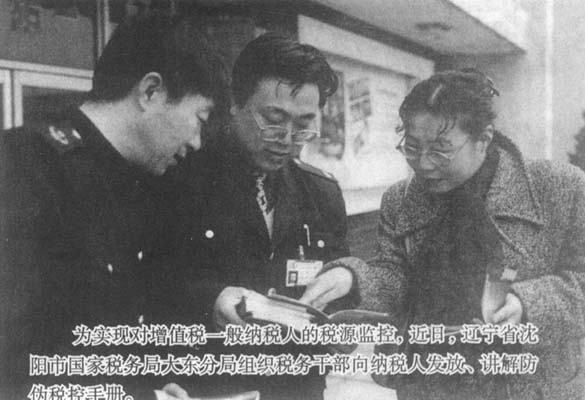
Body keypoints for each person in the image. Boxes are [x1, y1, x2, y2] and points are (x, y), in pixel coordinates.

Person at [0, 11, 229, 399]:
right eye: (200, 118)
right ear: (151, 91)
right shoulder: (22, 168)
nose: (197, 143)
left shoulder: (138, 181)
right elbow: (12, 368)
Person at [360, 69, 585, 399]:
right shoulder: (400, 199)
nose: (423, 164)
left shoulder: (560, 188)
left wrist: (527, 304)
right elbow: (393, 276)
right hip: (429, 385)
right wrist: (353, 278)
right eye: (412, 147)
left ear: (484, 138)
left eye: (441, 150)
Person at [172, 32, 360, 400]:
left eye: (303, 124)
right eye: (274, 118)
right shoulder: (179, 177)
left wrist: (343, 308)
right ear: (235, 103)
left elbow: (337, 291)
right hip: (207, 388)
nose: (287, 138)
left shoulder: (320, 192)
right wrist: (211, 299)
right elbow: (146, 284)